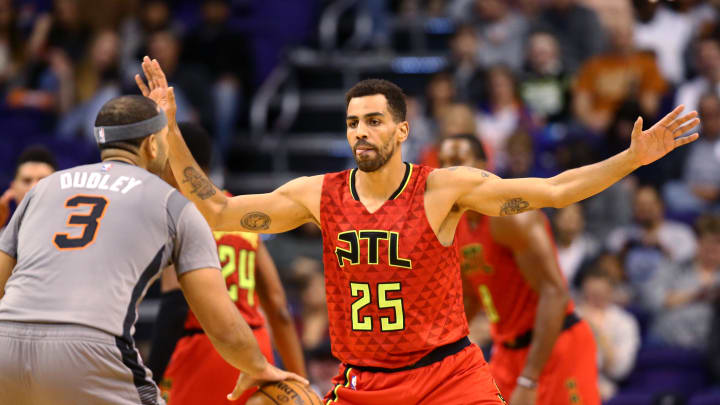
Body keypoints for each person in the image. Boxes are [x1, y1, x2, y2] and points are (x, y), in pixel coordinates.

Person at [136, 55, 698, 404]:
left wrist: (630, 160)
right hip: (365, 381)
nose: (362, 132)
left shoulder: (443, 188)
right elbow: (216, 210)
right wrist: (170, 124)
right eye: (353, 122)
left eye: (375, 121)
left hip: (448, 375)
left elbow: (553, 190)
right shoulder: (318, 193)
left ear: (402, 129)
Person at [0, 95, 304, 405]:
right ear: (152, 145)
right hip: (90, 346)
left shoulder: (43, 188)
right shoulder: (173, 203)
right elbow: (221, 322)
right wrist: (257, 366)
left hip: (6, 344)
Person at [147, 122, 307, 404]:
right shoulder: (237, 213)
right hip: (256, 351)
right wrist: (300, 380)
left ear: (173, 163)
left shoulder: (176, 213)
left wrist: (150, 376)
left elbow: (175, 307)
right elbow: (277, 304)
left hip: (201, 347)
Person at [438, 133, 600, 405]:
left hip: (555, 347)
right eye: (441, 163)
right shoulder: (455, 226)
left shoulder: (510, 216)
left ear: (482, 165)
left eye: (455, 161)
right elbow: (471, 296)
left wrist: (529, 378)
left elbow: (555, 293)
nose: (446, 171)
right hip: (507, 352)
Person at [576, 268, 640, 401]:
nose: (593, 299)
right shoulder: (571, 317)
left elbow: (620, 370)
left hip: (603, 385)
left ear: (610, 293)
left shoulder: (624, 322)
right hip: (569, 381)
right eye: (589, 294)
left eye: (599, 294)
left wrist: (596, 332)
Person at [0, 145, 57, 228]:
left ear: (57, 186)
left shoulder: (75, 233)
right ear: (13, 188)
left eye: (43, 180)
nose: (33, 188)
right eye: (26, 181)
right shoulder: (3, 237)